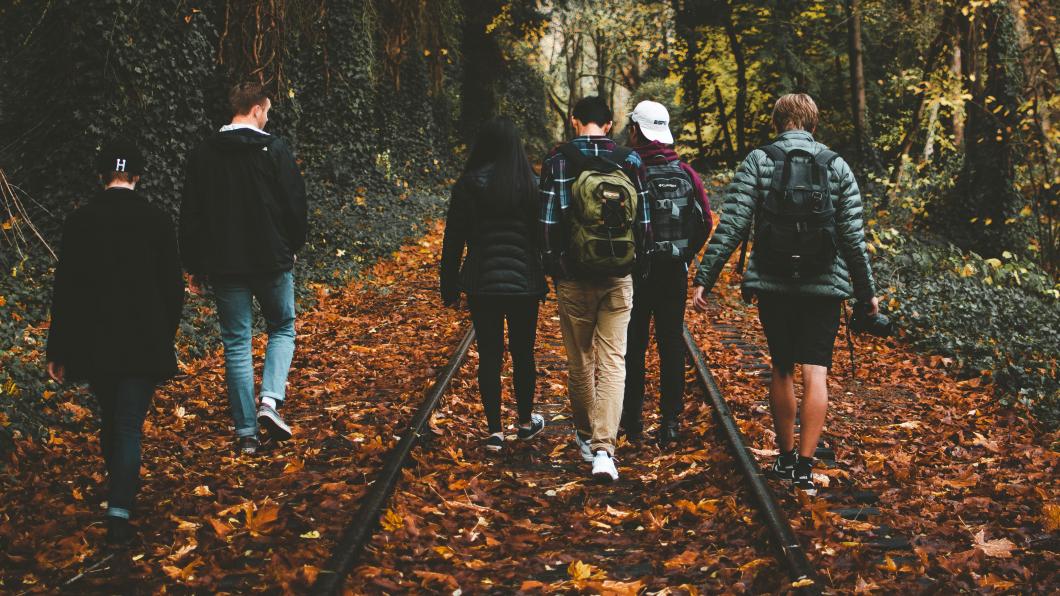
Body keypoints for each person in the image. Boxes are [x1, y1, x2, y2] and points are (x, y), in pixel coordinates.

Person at [691, 93, 878, 495]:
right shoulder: (837, 166)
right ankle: (806, 466)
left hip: (774, 281)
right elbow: (852, 237)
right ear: (813, 124)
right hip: (825, 284)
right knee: (816, 371)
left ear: (777, 123)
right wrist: (867, 294)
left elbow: (734, 222)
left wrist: (706, 275)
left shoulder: (759, 161)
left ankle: (785, 455)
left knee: (781, 367)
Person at [46, 138, 185, 546]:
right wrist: (165, 333)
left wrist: (58, 349)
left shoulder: (80, 221)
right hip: (143, 340)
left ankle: (119, 496)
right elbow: (172, 288)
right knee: (127, 425)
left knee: (112, 420)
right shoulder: (157, 220)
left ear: (100, 176)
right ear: (137, 176)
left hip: (95, 342)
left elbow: (65, 290)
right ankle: (119, 511)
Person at [180, 82, 307, 455]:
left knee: (236, 343)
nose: (268, 117)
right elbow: (294, 204)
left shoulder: (204, 154)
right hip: (270, 260)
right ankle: (270, 400)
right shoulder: (273, 149)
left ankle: (246, 433)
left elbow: (192, 215)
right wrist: (291, 246)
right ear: (255, 109)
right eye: (266, 110)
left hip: (225, 266)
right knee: (282, 327)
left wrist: (195, 265)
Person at [539, 95, 652, 482]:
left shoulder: (558, 160)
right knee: (614, 361)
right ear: (610, 125)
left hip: (574, 276)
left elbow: (547, 223)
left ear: (574, 121)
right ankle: (606, 451)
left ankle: (587, 439)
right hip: (619, 276)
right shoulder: (631, 161)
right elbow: (645, 223)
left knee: (580, 362)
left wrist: (556, 266)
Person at [440, 118, 547, 452]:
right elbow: (543, 237)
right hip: (524, 285)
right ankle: (526, 422)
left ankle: (495, 431)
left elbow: (453, 240)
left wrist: (449, 285)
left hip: (482, 283)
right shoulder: (533, 183)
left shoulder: (468, 185)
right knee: (522, 353)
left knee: (489, 354)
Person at [622, 100, 712, 448]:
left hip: (637, 272)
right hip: (674, 271)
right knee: (671, 345)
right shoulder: (685, 172)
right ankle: (670, 423)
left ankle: (632, 421)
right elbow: (705, 219)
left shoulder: (630, 170)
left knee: (634, 344)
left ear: (636, 131)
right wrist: (686, 253)